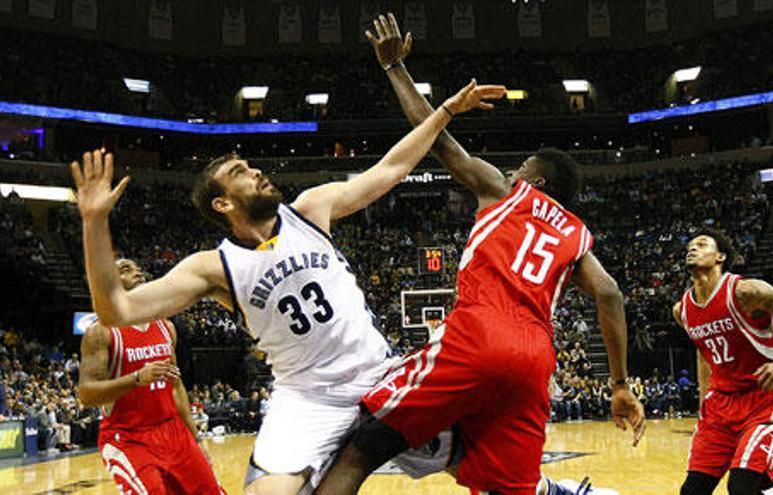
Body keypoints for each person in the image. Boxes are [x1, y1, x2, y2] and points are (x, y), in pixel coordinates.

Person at [71, 81, 504, 495]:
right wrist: (94, 222)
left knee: (479, 463)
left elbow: (391, 167)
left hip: (377, 373)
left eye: (250, 166)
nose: (256, 171)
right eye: (241, 172)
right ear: (222, 203)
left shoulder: (311, 209)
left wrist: (445, 111)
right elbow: (117, 311)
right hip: (308, 399)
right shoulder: (213, 267)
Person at [314, 14, 645, 495]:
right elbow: (610, 294)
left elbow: (434, 138)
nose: (511, 173)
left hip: (480, 334)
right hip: (535, 358)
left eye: (520, 170)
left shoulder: (504, 192)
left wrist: (395, 70)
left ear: (535, 182)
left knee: (363, 445)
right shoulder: (576, 232)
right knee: (506, 487)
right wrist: (618, 384)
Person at [673, 229, 773, 495]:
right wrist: (703, 401)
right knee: (691, 491)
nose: (692, 249)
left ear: (720, 256)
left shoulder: (747, 291)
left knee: (741, 488)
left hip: (762, 400)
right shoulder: (681, 310)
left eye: (702, 244)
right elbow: (704, 352)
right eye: (690, 246)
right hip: (719, 406)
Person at [78, 259, 224, 494]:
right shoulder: (101, 332)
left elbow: (176, 388)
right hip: (128, 436)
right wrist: (136, 378)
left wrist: (196, 440)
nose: (137, 273)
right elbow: (86, 394)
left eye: (138, 269)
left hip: (173, 431)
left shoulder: (166, 328)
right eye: (126, 270)